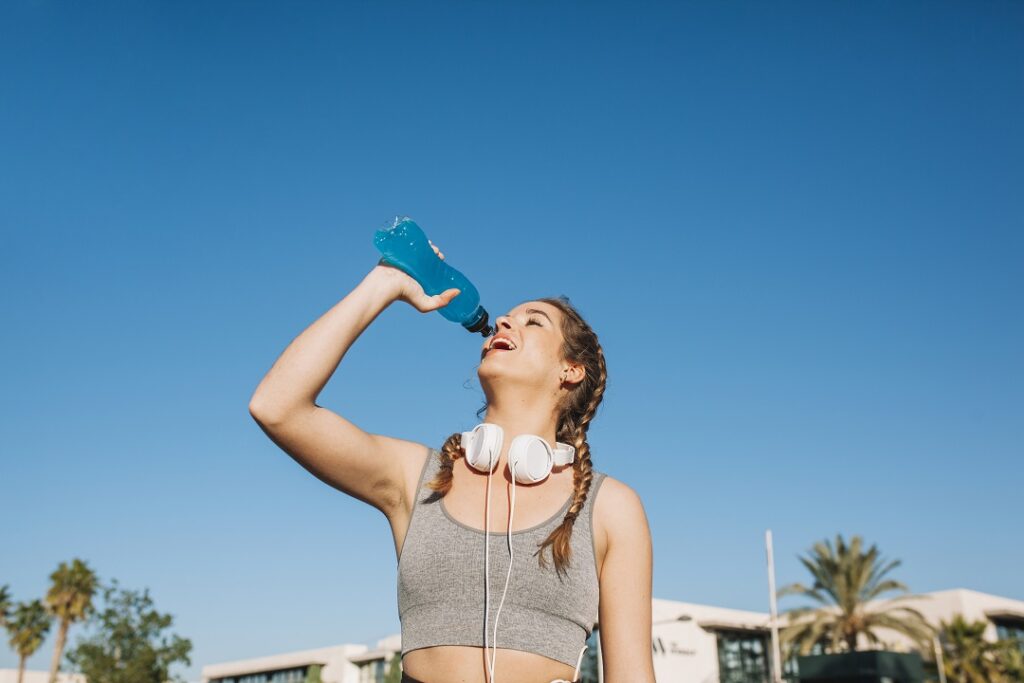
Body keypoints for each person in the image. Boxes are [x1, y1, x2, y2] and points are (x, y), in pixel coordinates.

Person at [248, 241, 656, 683]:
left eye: (533, 321)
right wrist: (385, 283)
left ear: (570, 370)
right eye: (506, 317)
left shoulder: (610, 507)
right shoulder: (417, 478)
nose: (504, 321)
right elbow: (277, 406)